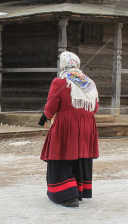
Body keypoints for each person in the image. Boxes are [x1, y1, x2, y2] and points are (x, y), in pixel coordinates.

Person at [40, 51, 99, 207]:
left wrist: (47, 115)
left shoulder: (60, 82)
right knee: (78, 157)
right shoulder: (89, 82)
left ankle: (67, 195)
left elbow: (52, 105)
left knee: (61, 156)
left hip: (67, 124)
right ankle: (79, 190)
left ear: (63, 65)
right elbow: (95, 107)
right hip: (87, 125)